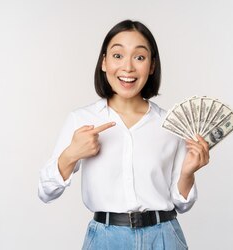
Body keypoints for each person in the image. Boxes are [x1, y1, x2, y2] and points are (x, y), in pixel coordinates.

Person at [38, 19, 211, 250]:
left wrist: (188, 173)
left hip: (164, 238)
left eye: (139, 57)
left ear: (151, 66)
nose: (128, 67)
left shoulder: (170, 124)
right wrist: (70, 155)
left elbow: (182, 204)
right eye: (118, 55)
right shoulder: (81, 119)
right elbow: (46, 192)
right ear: (104, 62)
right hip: (105, 240)